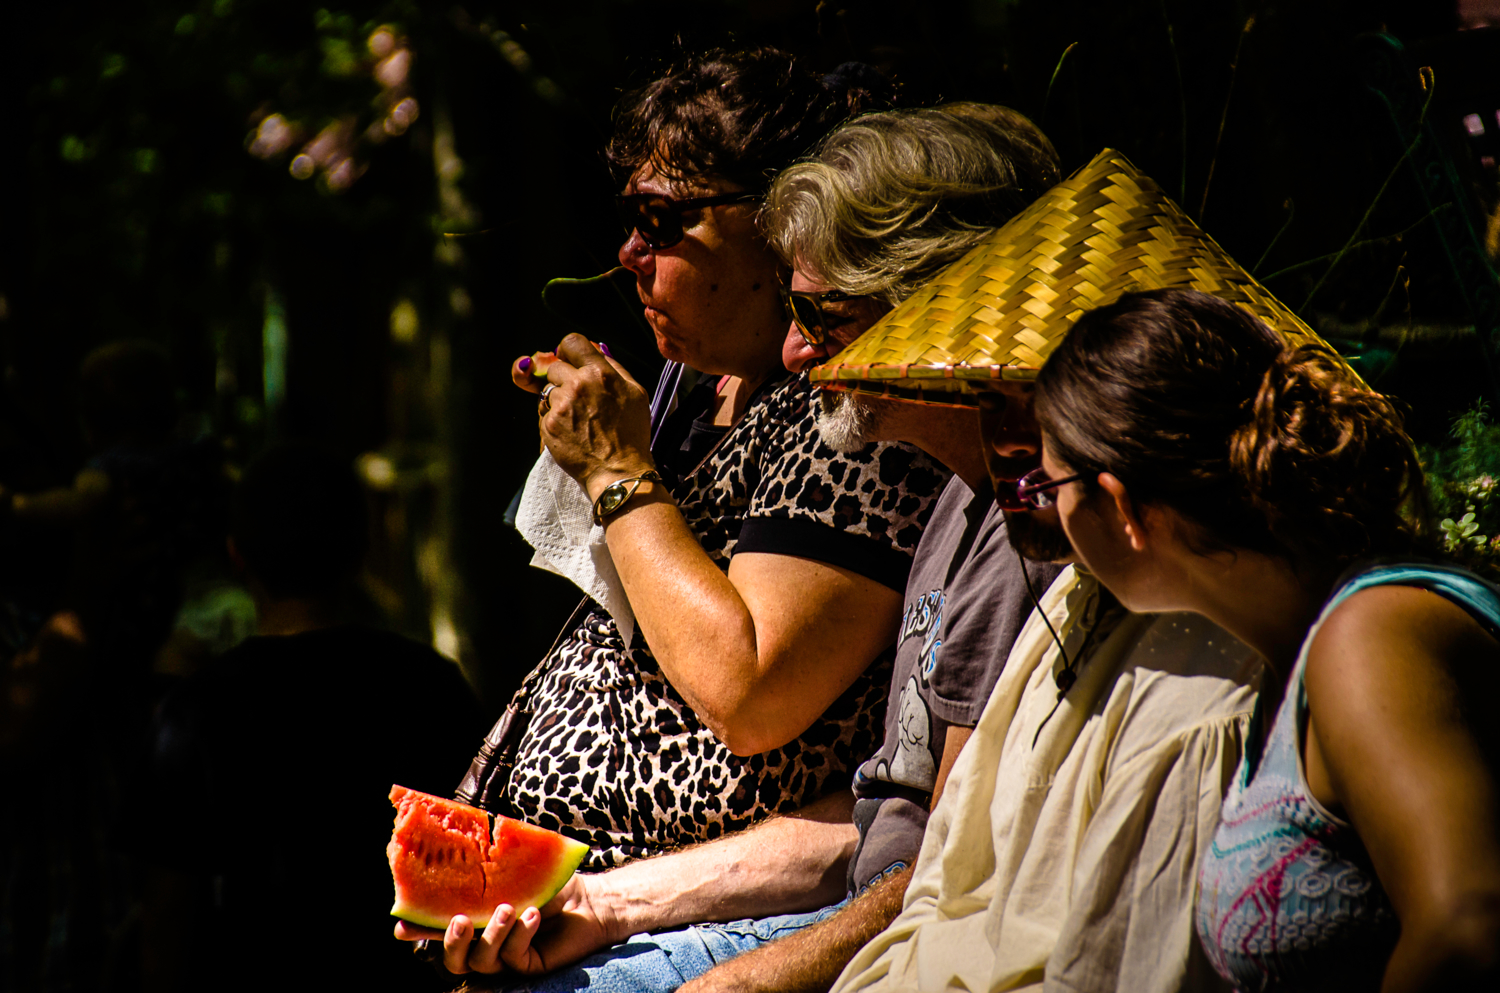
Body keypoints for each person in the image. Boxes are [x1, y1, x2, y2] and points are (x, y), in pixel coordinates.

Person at [407, 105, 1063, 990]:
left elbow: (757, 697)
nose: (799, 349)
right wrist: (606, 902)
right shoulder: (954, 499)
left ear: (925, 303)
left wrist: (615, 472)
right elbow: (882, 822)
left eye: (659, 220)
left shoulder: (997, 509)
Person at [821, 153, 1301, 993]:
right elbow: (939, 888)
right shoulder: (1079, 593)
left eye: (1034, 404)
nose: (1008, 441)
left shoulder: (1199, 683)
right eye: (983, 397)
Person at [1030, 288, 1500, 992]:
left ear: (1121, 506)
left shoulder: (1368, 638)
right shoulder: (1298, 656)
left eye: (1050, 480)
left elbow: (1465, 931)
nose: (1048, 507)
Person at [136, 443, 485, 993]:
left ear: (237, 556)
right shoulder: (431, 685)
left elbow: (165, 920)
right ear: (361, 552)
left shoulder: (195, 711)